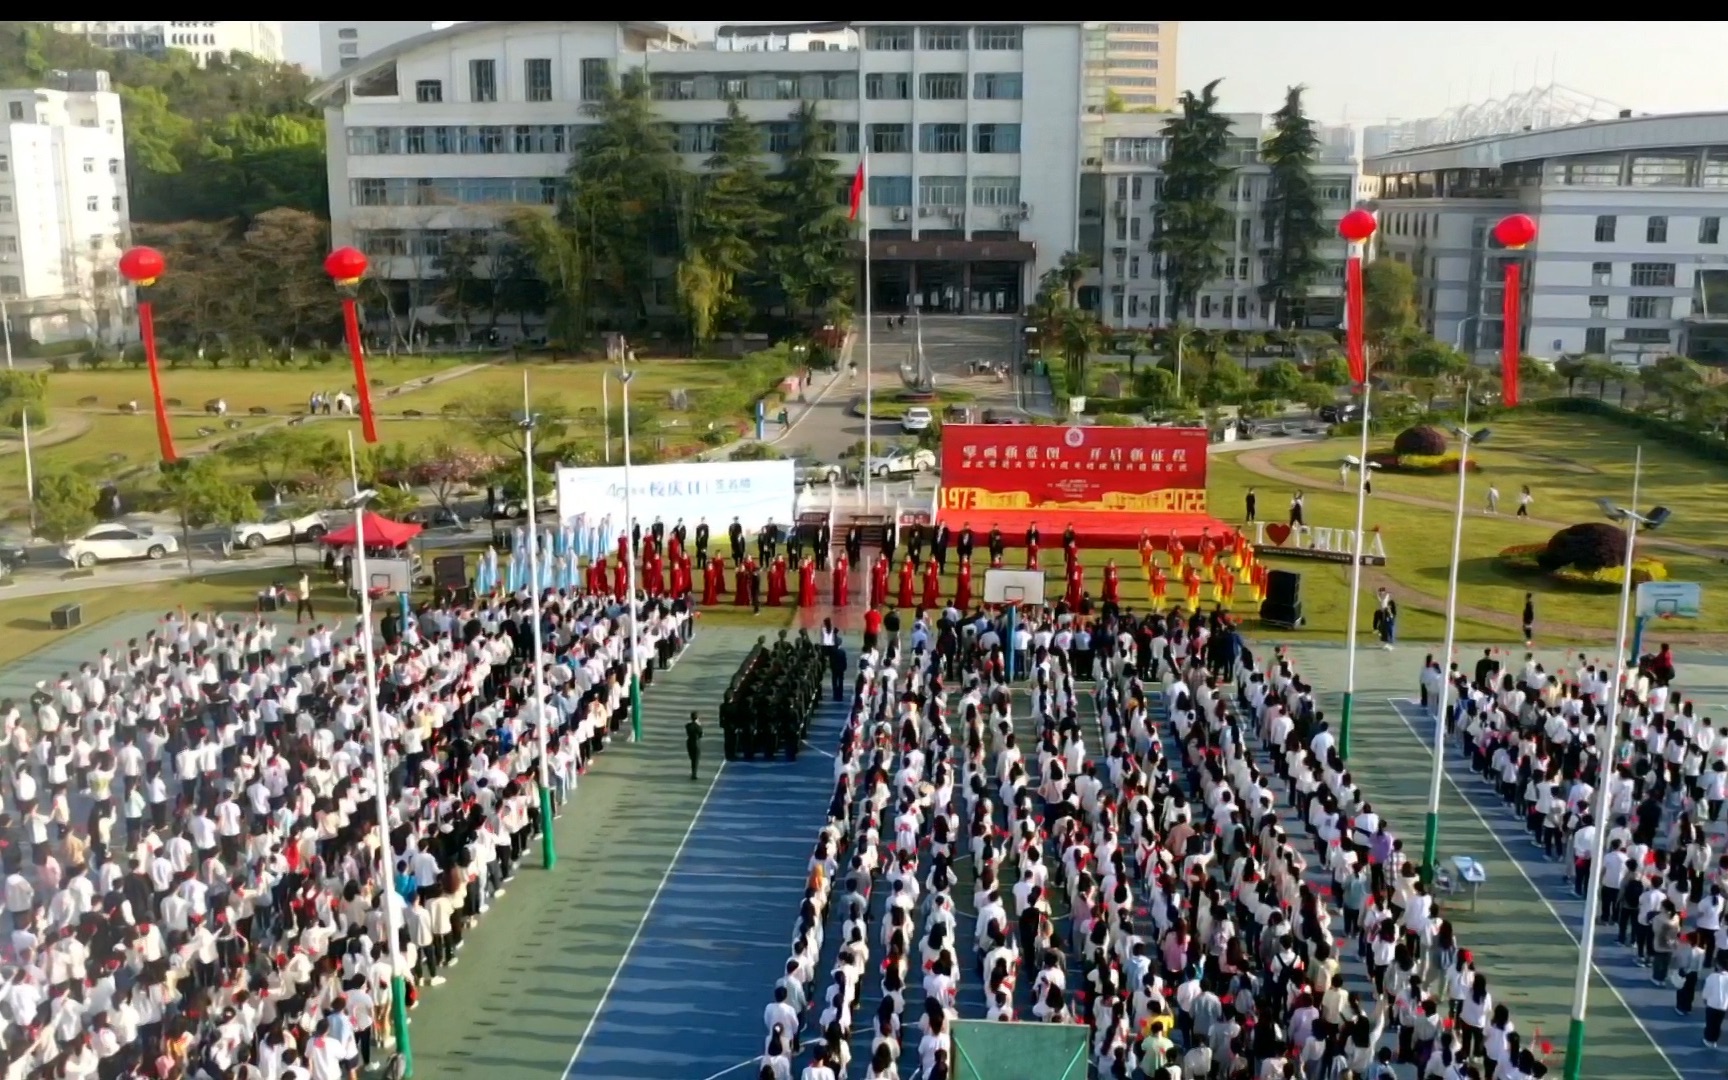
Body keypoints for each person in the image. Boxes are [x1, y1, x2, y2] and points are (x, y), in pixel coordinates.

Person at [686, 710, 704, 781]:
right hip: (696, 743)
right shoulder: (698, 727)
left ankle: (693, 771)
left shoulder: (688, 726)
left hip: (689, 742)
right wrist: (699, 725)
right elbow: (701, 735)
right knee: (696, 759)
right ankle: (694, 774)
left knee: (692, 758)